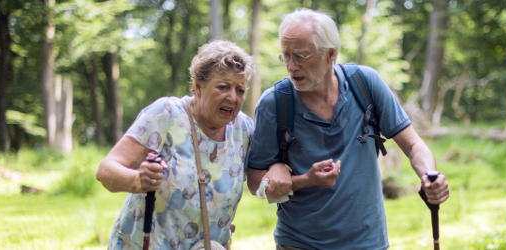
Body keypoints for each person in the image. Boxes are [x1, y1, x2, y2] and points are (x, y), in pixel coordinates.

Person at [246, 8, 450, 250]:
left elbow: (413, 144)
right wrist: (303, 180)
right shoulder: (274, 104)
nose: (291, 67)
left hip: (368, 243)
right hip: (300, 244)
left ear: (330, 54)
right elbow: (254, 181)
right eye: (286, 57)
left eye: (300, 57)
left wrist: (428, 176)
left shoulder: (365, 84)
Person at [96, 40, 254, 250]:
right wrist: (137, 180)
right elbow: (106, 171)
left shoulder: (243, 129)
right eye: (223, 87)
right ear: (198, 87)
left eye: (240, 90)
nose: (232, 97)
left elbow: (260, 177)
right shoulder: (166, 114)